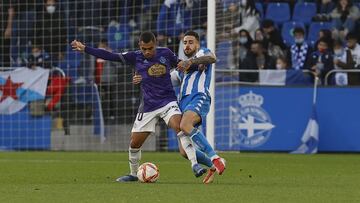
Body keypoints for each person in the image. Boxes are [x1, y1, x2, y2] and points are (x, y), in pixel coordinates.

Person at [71, 31, 207, 182]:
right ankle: (133, 174)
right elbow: (110, 56)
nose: (147, 52)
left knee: (179, 126)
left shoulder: (166, 53)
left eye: (150, 48)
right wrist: (85, 48)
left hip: (168, 101)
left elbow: (183, 65)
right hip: (148, 106)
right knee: (134, 143)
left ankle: (195, 165)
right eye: (144, 49)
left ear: (155, 44)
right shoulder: (134, 56)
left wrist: (199, 66)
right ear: (139, 46)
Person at [133, 31, 227, 184]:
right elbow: (163, 79)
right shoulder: (181, 67)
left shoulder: (202, 55)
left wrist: (192, 62)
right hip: (183, 103)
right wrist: (141, 77)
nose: (187, 45)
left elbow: (212, 58)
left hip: (198, 96)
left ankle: (215, 158)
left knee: (184, 125)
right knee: (184, 151)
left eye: (191, 42)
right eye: (185, 42)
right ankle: (213, 166)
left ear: (197, 44)